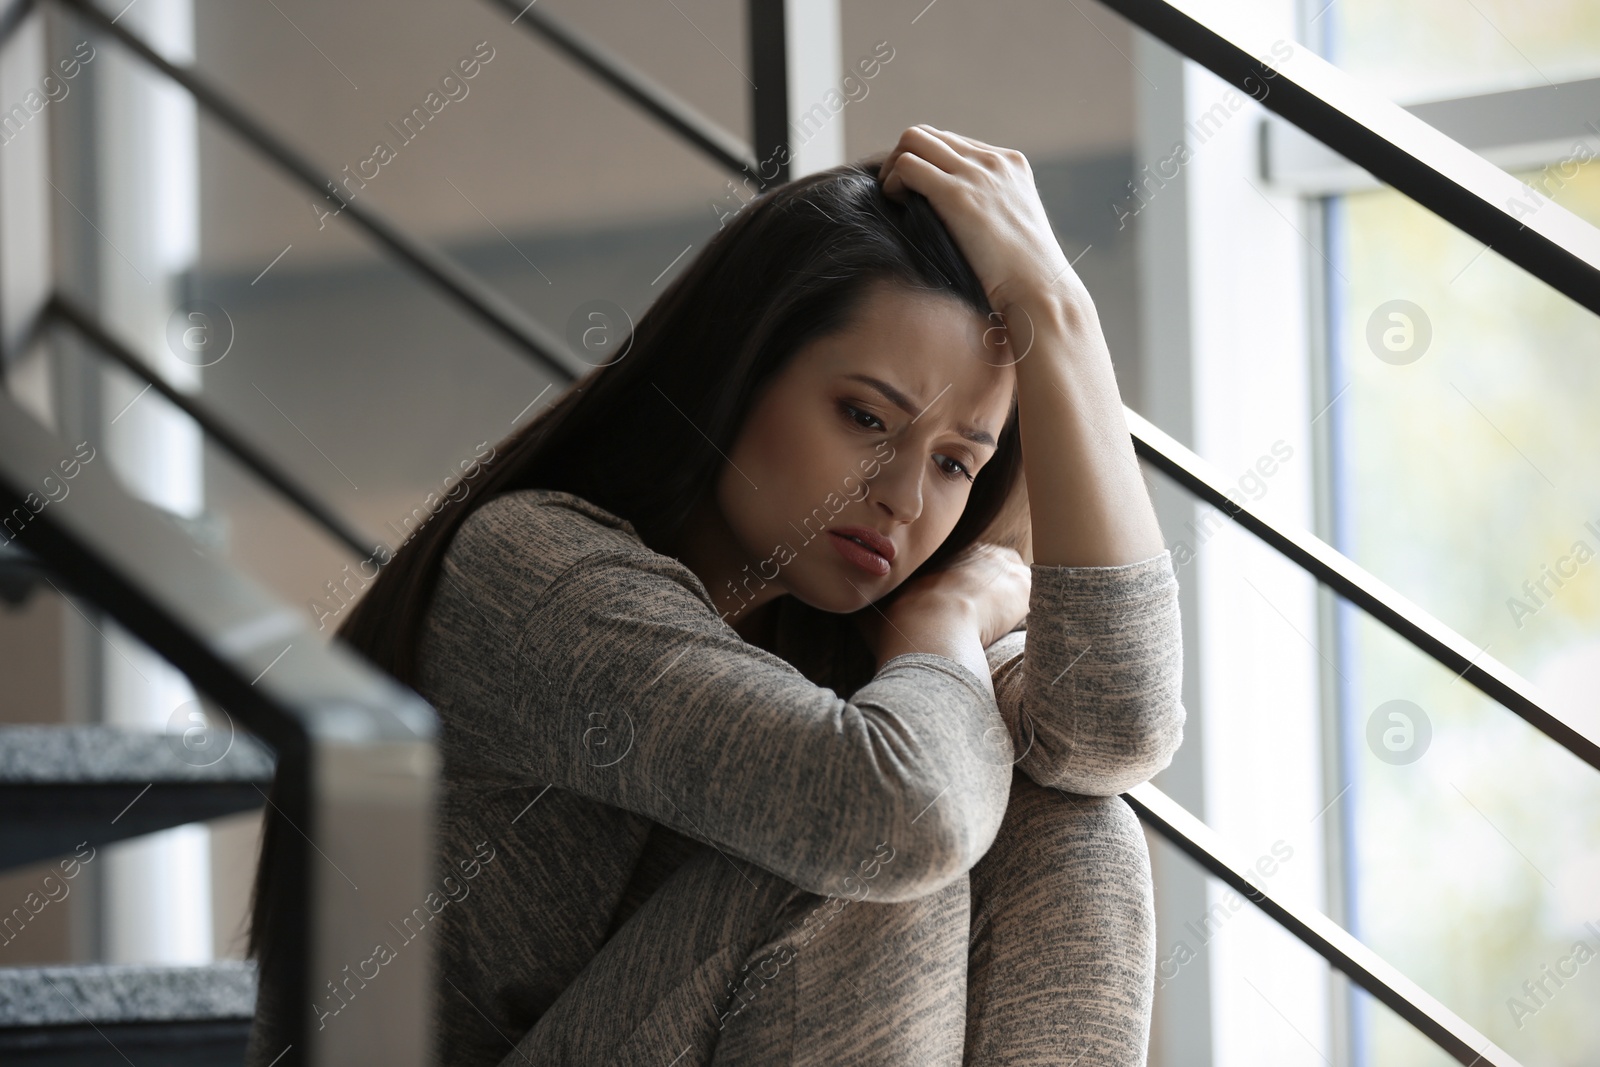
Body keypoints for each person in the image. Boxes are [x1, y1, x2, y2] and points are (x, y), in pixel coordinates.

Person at [245, 125, 1185, 1066]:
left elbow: (1110, 734)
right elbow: (897, 812)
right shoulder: (535, 568)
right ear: (736, 369)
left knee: (1074, 818)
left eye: (954, 462)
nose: (904, 497)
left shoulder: (871, 618)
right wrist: (942, 626)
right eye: (865, 417)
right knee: (878, 831)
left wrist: (1059, 314)